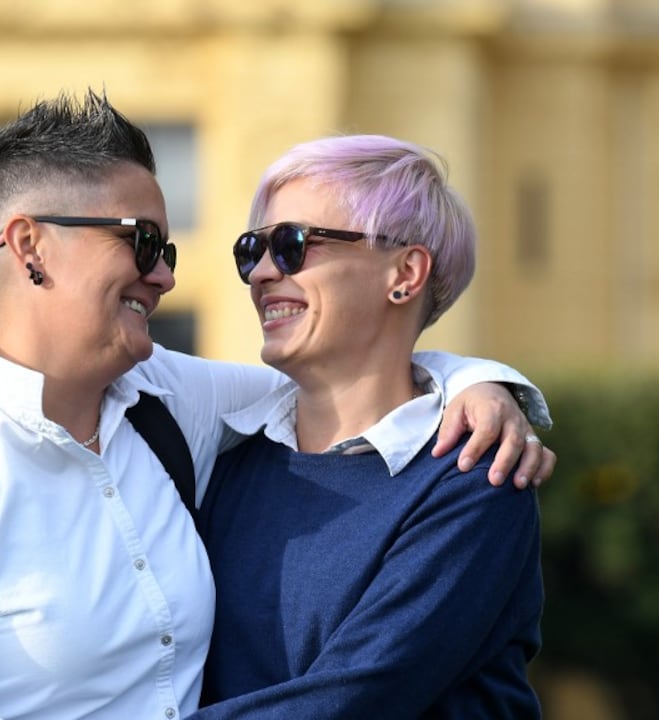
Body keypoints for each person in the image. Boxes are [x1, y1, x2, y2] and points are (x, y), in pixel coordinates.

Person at [0, 91, 552, 720]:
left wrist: (478, 383)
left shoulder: (179, 411)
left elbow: (360, 387)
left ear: (405, 270)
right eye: (142, 243)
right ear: (29, 247)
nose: (165, 277)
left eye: (292, 245)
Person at [193, 135, 544, 719]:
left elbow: (352, 700)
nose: (259, 272)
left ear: (404, 273)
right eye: (251, 249)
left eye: (292, 244)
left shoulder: (470, 478)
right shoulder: (221, 461)